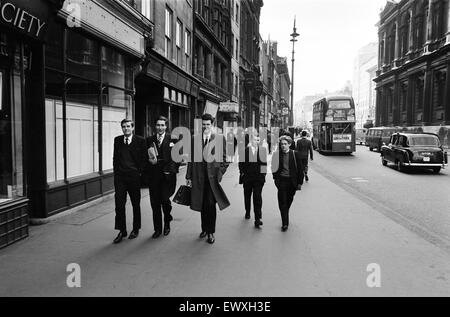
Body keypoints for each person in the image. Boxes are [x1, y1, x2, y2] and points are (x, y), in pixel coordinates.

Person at [186, 114, 230, 244]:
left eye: (208, 124)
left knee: (210, 205)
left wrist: (220, 173)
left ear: (212, 125)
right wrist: (188, 176)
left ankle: (211, 232)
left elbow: (225, 159)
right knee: (201, 203)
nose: (205, 126)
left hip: (212, 179)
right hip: (198, 178)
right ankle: (204, 228)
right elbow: (191, 160)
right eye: (203, 124)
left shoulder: (219, 138)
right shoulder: (194, 139)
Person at [112, 119, 147, 244]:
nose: (126, 128)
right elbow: (115, 159)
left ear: (132, 128)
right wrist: (116, 175)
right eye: (123, 127)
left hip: (134, 178)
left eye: (128, 126)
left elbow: (144, 159)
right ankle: (122, 230)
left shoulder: (140, 141)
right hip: (120, 178)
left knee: (135, 204)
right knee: (119, 205)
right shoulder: (117, 140)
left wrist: (139, 174)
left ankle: (136, 228)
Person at [146, 116, 179, 239]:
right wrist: (149, 161)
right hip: (154, 177)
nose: (160, 127)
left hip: (167, 177)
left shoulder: (173, 139)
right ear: (155, 126)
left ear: (166, 126)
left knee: (165, 201)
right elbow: (146, 157)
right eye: (158, 125)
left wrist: (170, 171)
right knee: (154, 204)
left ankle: (167, 223)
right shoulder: (149, 139)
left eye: (162, 125)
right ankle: (157, 229)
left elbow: (177, 158)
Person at [272, 135, 304, 232]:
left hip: (292, 182)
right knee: (282, 202)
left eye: (285, 144)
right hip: (281, 181)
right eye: (282, 144)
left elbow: (300, 170)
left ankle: (285, 212)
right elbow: (273, 168)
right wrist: (275, 180)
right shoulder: (276, 155)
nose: (283, 146)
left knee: (289, 201)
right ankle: (285, 223)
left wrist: (299, 183)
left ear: (289, 144)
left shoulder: (295, 154)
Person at [238, 133, 267, 228]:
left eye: (258, 140)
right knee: (247, 196)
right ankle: (247, 211)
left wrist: (263, 175)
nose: (257, 142)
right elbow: (241, 163)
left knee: (257, 197)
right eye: (255, 140)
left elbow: (264, 164)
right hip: (248, 178)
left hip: (259, 179)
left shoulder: (262, 151)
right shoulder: (245, 151)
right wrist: (242, 173)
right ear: (251, 141)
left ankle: (258, 218)